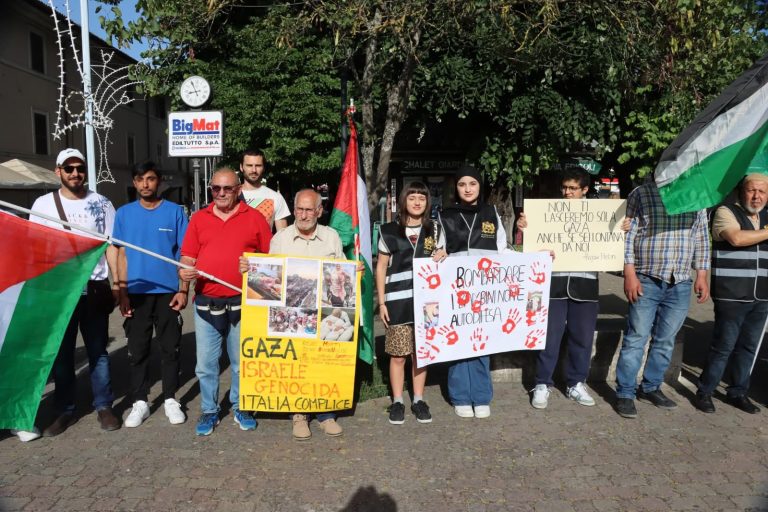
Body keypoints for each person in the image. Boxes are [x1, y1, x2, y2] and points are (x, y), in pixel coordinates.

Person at [239, 189, 348, 440]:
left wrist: (356, 270)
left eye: (310, 209)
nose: (304, 214)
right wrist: (249, 268)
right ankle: (299, 414)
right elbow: (268, 275)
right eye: (299, 209)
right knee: (295, 365)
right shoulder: (280, 238)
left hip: (322, 312)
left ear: (319, 211)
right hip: (290, 315)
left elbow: (341, 271)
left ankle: (325, 412)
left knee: (323, 363)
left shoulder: (332, 237)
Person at [29, 148, 121, 435]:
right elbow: (35, 249)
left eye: (79, 168)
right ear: (58, 171)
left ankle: (104, 406)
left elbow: (112, 247)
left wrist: (118, 284)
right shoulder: (43, 205)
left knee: (98, 352)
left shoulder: (102, 203)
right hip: (60, 290)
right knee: (63, 354)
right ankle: (64, 410)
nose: (75, 173)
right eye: (68, 168)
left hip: (94, 288)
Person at [180, 168, 272, 436]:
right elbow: (188, 256)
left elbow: (270, 261)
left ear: (238, 190)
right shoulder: (198, 219)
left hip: (242, 303)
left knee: (241, 362)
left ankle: (241, 405)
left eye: (227, 189)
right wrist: (184, 273)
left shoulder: (254, 219)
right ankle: (209, 410)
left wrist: (254, 264)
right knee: (206, 365)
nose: (220, 193)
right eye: (215, 188)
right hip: (206, 303)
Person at [614, 180, 710, 419]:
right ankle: (625, 393)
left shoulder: (697, 194)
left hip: (680, 281)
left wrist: (702, 274)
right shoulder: (642, 193)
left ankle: (651, 387)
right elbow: (630, 234)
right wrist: (629, 273)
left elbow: (701, 237)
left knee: (666, 340)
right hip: (646, 278)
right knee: (636, 337)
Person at [114, 161, 189, 427]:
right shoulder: (123, 214)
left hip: (168, 292)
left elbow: (185, 255)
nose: (145, 184)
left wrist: (183, 289)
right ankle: (140, 401)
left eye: (150, 179)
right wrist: (121, 290)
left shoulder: (175, 212)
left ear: (159, 181)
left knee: (170, 348)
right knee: (138, 349)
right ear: (133, 182)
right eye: (140, 179)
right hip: (136, 292)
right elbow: (120, 254)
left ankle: (170, 398)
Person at [517, 169, 598, 409]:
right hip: (552, 284)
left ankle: (576, 383)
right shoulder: (547, 212)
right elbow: (530, 245)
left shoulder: (600, 215)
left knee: (582, 338)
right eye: (565, 188)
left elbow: (610, 243)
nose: (567, 193)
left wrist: (619, 229)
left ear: (584, 190)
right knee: (548, 337)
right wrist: (525, 227)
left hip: (585, 284)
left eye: (573, 188)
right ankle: (542, 383)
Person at [438, 165, 512, 418]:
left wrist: (535, 258)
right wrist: (439, 254)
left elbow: (503, 250)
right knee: (458, 344)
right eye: (462, 184)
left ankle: (481, 396)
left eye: (473, 183)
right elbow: (438, 249)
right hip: (456, 289)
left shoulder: (491, 212)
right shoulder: (444, 215)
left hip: (484, 290)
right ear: (456, 188)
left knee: (481, 342)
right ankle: (460, 396)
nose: (468, 189)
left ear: (480, 187)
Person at [694, 174, 768, 414]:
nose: (757, 196)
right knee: (724, 345)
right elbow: (736, 238)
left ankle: (738, 391)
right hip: (732, 294)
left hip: (762, 295)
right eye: (752, 190)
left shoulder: (766, 217)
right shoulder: (725, 212)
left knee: (749, 347)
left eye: (762, 192)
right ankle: (705, 391)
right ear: (741, 191)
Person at [376, 181, 445, 425]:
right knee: (398, 355)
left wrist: (444, 254)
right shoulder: (388, 230)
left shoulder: (435, 230)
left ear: (428, 203)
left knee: (421, 353)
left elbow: (442, 260)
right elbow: (382, 267)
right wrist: (382, 303)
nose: (417, 202)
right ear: (404, 200)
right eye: (412, 197)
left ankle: (418, 399)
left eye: (422, 198)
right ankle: (397, 401)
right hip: (397, 301)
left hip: (429, 304)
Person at [239, 149, 290, 229]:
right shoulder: (231, 195)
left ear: (263, 168)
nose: (254, 170)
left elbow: (282, 236)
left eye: (258, 165)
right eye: (249, 165)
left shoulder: (275, 197)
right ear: (241, 167)